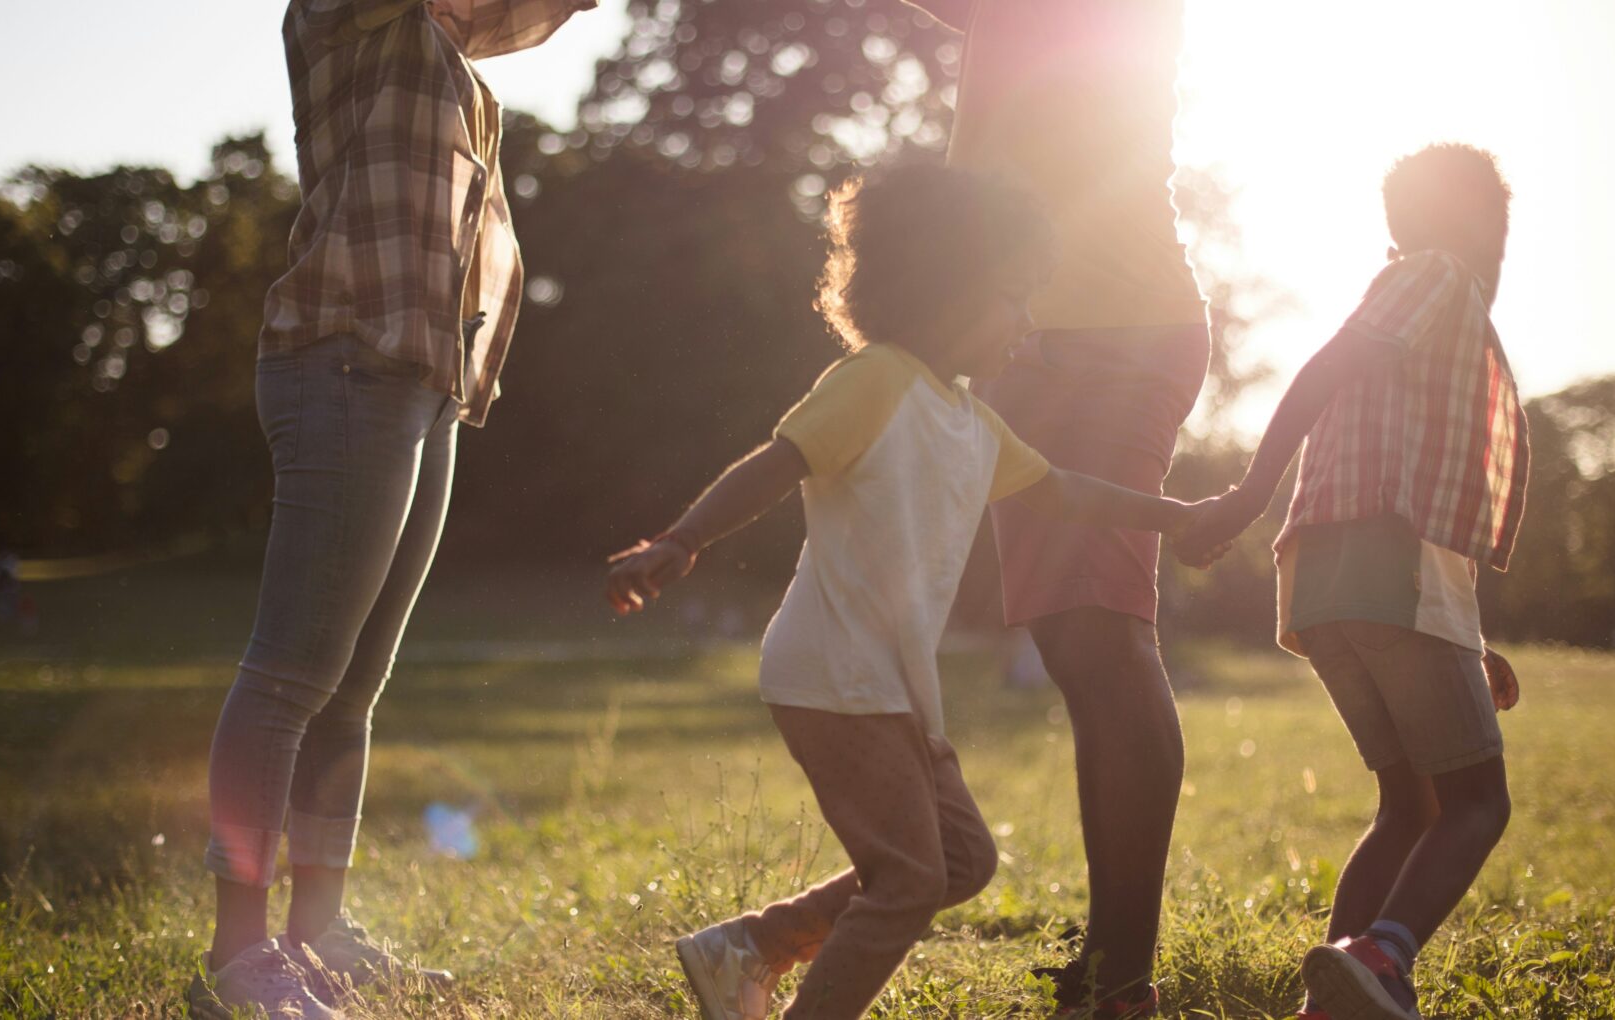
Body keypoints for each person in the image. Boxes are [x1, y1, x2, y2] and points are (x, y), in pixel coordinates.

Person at [607, 165, 1215, 1020]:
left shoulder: (970, 419)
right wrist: (681, 539)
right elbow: (777, 464)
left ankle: (751, 947)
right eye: (1014, 298)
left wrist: (1179, 515)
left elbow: (1068, 493)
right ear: (945, 292)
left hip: (890, 686)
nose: (1029, 324)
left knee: (961, 863)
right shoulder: (878, 381)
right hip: (834, 676)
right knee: (909, 880)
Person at [189, 1, 596, 1017]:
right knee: (291, 674)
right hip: (342, 359)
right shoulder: (352, 18)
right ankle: (239, 956)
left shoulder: (451, 52)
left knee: (353, 686)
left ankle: (318, 929)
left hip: (421, 379)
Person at [902, 2, 1210, 1015]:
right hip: (1032, 337)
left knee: (1103, 638)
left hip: (1112, 332)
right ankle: (1113, 956)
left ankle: (1125, 973)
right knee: (1078, 647)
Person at [1174, 143, 1529, 1020]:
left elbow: (1404, 456)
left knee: (1406, 804)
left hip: (1332, 586)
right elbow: (1328, 369)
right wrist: (1250, 492)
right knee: (1478, 801)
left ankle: (1333, 999)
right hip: (1390, 571)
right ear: (1478, 223)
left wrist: (1468, 635)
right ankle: (1384, 955)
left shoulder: (1425, 299)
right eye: (1502, 225)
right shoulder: (1439, 277)